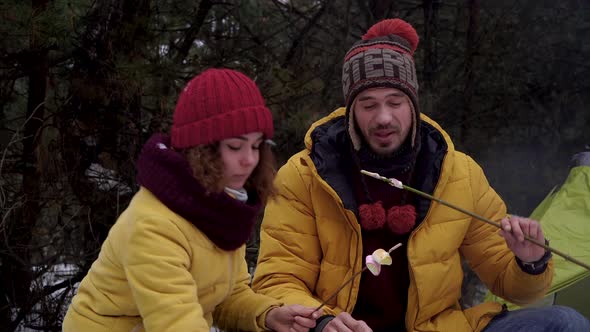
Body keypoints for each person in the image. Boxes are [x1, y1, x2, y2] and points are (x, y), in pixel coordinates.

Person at [251, 19, 590, 332]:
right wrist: (323, 322)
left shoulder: (457, 173)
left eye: (395, 102)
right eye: (368, 104)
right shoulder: (305, 174)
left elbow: (509, 284)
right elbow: (278, 278)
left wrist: (530, 262)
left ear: (413, 103)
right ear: (351, 110)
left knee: (563, 322)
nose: (383, 117)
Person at [63, 68, 320, 331]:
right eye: (235, 146)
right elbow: (175, 323)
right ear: (200, 149)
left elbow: (228, 297)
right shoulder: (154, 225)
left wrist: (268, 315)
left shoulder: (222, 206)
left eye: (256, 146)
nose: (250, 159)